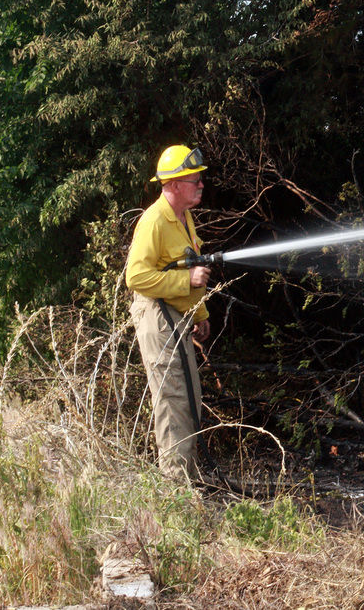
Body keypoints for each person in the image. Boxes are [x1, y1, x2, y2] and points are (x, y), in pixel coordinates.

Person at [125, 144, 212, 483]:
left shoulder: (183, 217)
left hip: (177, 316)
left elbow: (190, 269)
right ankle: (176, 492)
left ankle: (187, 482)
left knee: (190, 396)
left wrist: (200, 313)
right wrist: (185, 280)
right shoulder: (153, 221)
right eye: (194, 180)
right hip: (156, 317)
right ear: (174, 184)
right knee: (173, 401)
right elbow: (136, 276)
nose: (201, 185)